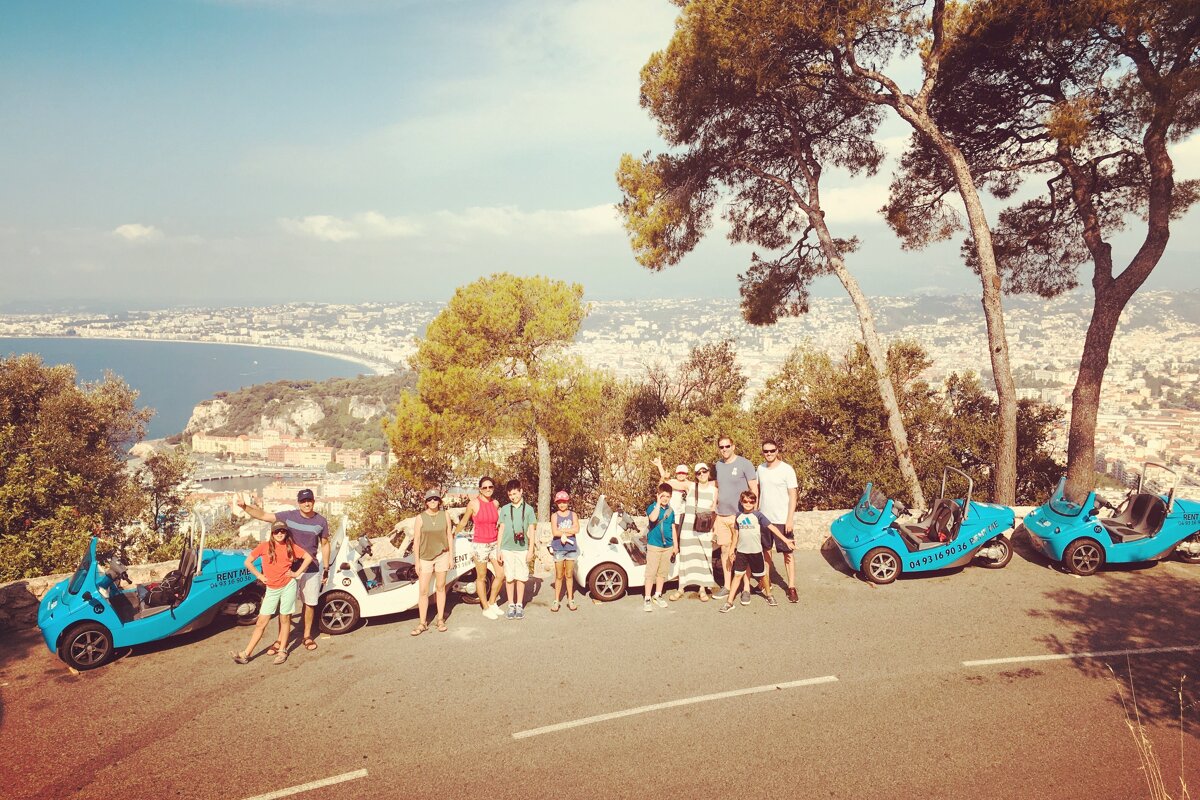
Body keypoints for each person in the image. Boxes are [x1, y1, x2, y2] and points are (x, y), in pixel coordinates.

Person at [235, 488, 330, 653]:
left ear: (314, 501)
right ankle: (280, 640)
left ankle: (307, 636)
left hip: (311, 568)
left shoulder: (321, 521)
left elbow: (325, 544)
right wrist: (245, 507)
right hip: (288, 569)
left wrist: (326, 568)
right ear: (298, 503)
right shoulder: (288, 516)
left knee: (309, 603)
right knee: (285, 608)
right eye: (303, 501)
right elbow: (263, 515)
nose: (306, 503)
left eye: (309, 500)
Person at [232, 521, 313, 664]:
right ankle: (246, 654)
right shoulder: (264, 546)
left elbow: (308, 557)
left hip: (288, 586)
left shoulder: (291, 547)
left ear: (286, 532)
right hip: (271, 589)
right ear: (272, 533)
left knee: (285, 618)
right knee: (261, 622)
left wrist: (296, 573)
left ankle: (282, 650)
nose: (280, 534)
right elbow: (248, 562)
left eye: (282, 531)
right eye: (277, 531)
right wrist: (259, 576)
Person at [712, 436, 758, 600]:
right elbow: (717, 487)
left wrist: (753, 513)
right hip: (722, 516)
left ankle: (746, 589)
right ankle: (727, 586)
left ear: (733, 446)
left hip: (739, 516)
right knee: (725, 551)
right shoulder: (718, 465)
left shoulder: (745, 464)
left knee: (743, 553)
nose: (724, 449)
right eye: (721, 447)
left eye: (727, 446)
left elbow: (754, 489)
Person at [719, 491, 781, 613]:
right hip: (742, 552)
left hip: (756, 552)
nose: (748, 504)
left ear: (755, 502)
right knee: (737, 575)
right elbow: (736, 535)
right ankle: (729, 602)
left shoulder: (758, 515)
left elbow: (772, 527)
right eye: (745, 501)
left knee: (762, 575)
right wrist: (732, 550)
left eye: (751, 501)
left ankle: (769, 595)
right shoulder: (738, 516)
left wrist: (785, 540)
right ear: (741, 502)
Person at [454, 476, 505, 620]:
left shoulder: (495, 503)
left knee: (501, 574)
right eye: (485, 487)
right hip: (480, 545)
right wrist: (452, 535)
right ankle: (485, 608)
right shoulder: (473, 504)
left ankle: (492, 602)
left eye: (490, 487)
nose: (488, 489)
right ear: (480, 489)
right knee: (481, 577)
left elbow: (500, 523)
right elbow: (463, 522)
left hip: (494, 543)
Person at [757, 439, 800, 603]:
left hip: (782, 519)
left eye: (772, 450)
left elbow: (793, 496)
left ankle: (791, 586)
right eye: (766, 451)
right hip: (764, 519)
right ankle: (766, 583)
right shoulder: (760, 469)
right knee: (766, 552)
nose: (769, 453)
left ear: (777, 451)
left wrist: (790, 519)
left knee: (788, 553)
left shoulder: (787, 469)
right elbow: (758, 492)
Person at [670, 461, 718, 601]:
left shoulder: (714, 490)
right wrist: (662, 472)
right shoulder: (690, 486)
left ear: (708, 472)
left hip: (704, 529)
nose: (702, 474)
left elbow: (714, 510)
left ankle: (702, 588)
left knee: (704, 557)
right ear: (695, 475)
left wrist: (714, 529)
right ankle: (681, 587)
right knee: (686, 556)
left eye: (704, 471)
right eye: (698, 473)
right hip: (688, 528)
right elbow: (670, 483)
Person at [409, 489, 454, 635]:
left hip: (442, 555)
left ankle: (440, 620)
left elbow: (449, 536)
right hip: (425, 557)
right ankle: (422, 623)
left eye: (435, 499)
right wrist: (417, 562)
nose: (433, 501)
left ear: (439, 501)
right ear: (426, 502)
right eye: (430, 499)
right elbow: (416, 540)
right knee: (423, 591)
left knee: (440, 587)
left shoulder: (445, 515)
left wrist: (451, 556)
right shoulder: (420, 518)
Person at [497, 479, 537, 620]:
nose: (513, 497)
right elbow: (501, 529)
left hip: (522, 548)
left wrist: (531, 550)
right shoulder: (505, 509)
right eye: (510, 495)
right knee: (509, 577)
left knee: (521, 577)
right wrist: (498, 549)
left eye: (515, 493)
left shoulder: (529, 509)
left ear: (521, 491)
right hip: (507, 548)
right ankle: (511, 604)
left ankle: (519, 604)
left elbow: (532, 531)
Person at [643, 482, 676, 612]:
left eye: (668, 496)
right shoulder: (652, 507)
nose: (665, 499)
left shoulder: (671, 511)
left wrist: (675, 545)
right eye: (662, 496)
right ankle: (647, 597)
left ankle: (658, 595)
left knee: (662, 572)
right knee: (651, 572)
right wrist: (657, 503)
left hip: (668, 546)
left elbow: (673, 528)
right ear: (658, 495)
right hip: (654, 545)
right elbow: (653, 518)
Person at [549, 490, 580, 612]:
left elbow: (577, 529)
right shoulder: (554, 516)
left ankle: (570, 599)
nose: (562, 504)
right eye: (559, 502)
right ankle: (556, 600)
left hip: (570, 549)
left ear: (568, 502)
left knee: (569, 574)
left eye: (564, 502)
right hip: (558, 548)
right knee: (559, 575)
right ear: (556, 503)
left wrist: (562, 532)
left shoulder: (573, 515)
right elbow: (555, 532)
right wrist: (568, 531)